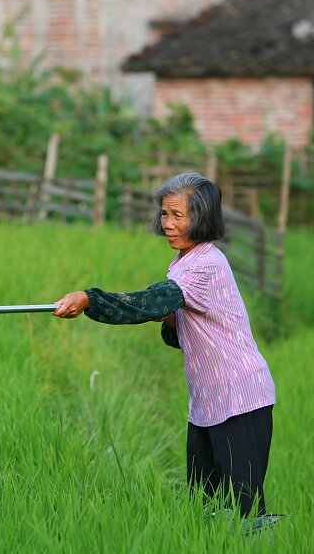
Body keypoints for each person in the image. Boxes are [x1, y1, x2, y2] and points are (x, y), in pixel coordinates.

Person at [54, 172, 275, 518]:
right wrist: (171, 317)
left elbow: (149, 303)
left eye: (178, 215)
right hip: (208, 401)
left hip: (240, 397)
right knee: (206, 505)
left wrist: (89, 300)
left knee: (245, 509)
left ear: (201, 218)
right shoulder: (183, 262)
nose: (167, 223)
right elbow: (178, 329)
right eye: (164, 214)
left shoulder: (205, 264)